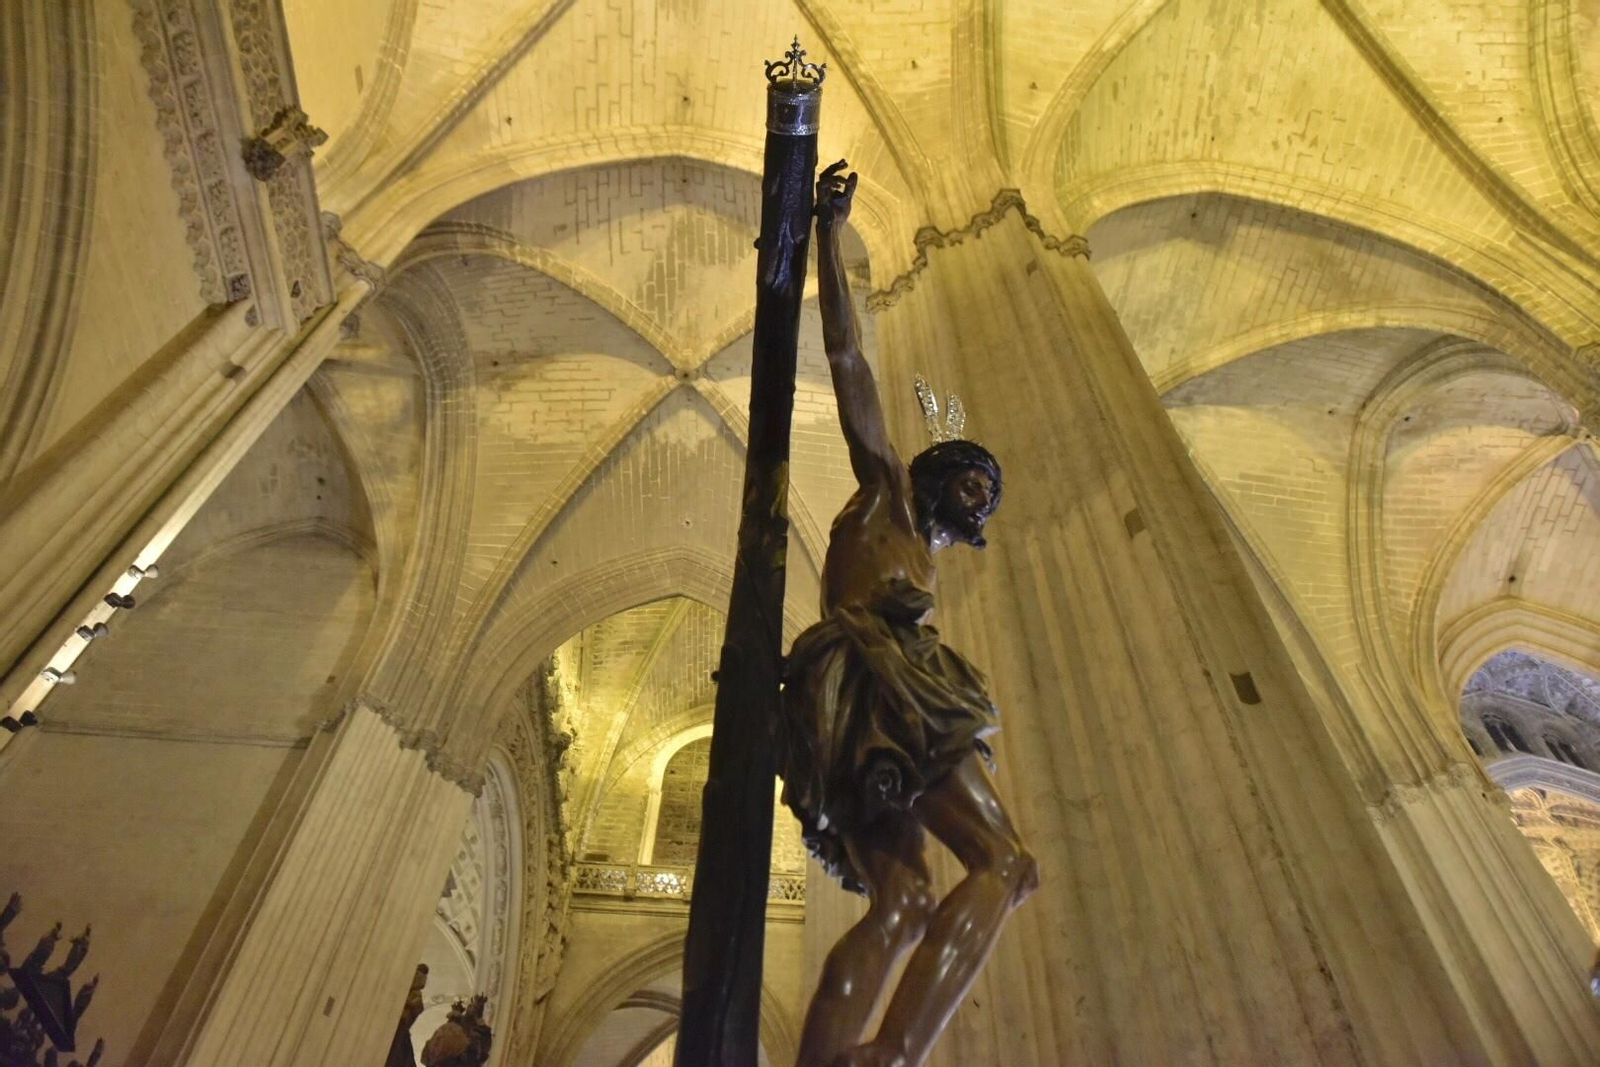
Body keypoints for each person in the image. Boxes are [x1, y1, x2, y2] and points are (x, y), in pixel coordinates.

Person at [774, 160, 1039, 1067]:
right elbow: (848, 358)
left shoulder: (912, 544)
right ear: (941, 468)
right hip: (876, 671)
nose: (985, 506)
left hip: (850, 685)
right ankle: (891, 1055)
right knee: (1006, 863)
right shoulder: (885, 487)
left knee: (904, 905)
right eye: (980, 483)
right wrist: (829, 235)